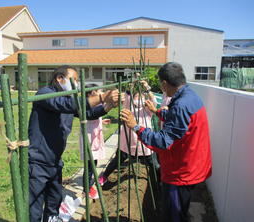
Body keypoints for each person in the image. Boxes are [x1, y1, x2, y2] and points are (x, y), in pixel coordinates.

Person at [28, 65, 123, 222]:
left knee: (54, 201)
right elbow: (68, 106)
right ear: (60, 79)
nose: (77, 84)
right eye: (75, 80)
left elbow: (87, 113)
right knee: (34, 209)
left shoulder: (67, 100)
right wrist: (101, 97)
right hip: (37, 161)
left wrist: (108, 105)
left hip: (54, 161)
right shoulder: (45, 94)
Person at [121, 62, 212, 222]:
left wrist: (135, 126)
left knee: (173, 214)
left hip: (181, 171)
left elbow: (163, 141)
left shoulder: (181, 105)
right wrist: (157, 112)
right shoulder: (190, 96)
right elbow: (181, 125)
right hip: (192, 164)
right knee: (180, 208)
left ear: (164, 83)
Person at [99, 81, 157, 186]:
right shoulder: (128, 106)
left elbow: (153, 100)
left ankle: (158, 181)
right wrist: (130, 87)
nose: (139, 99)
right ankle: (103, 177)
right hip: (128, 140)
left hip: (143, 142)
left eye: (141, 96)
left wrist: (147, 87)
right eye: (136, 96)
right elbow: (127, 96)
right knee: (117, 161)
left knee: (153, 164)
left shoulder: (147, 109)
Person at [79, 84, 111, 199]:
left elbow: (97, 116)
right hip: (89, 139)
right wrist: (109, 104)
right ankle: (85, 190)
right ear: (89, 94)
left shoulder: (96, 104)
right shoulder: (86, 106)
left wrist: (102, 121)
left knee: (94, 163)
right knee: (89, 166)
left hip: (94, 138)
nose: (99, 94)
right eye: (96, 92)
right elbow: (91, 116)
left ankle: (88, 186)